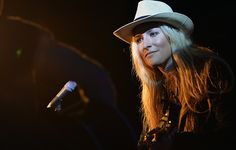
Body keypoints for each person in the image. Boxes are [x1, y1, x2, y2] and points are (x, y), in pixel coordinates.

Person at [113, 0, 235, 149]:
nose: (146, 44)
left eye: (153, 33)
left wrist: (175, 144)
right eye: (139, 39)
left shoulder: (209, 70)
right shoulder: (158, 91)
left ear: (172, 35)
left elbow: (229, 135)